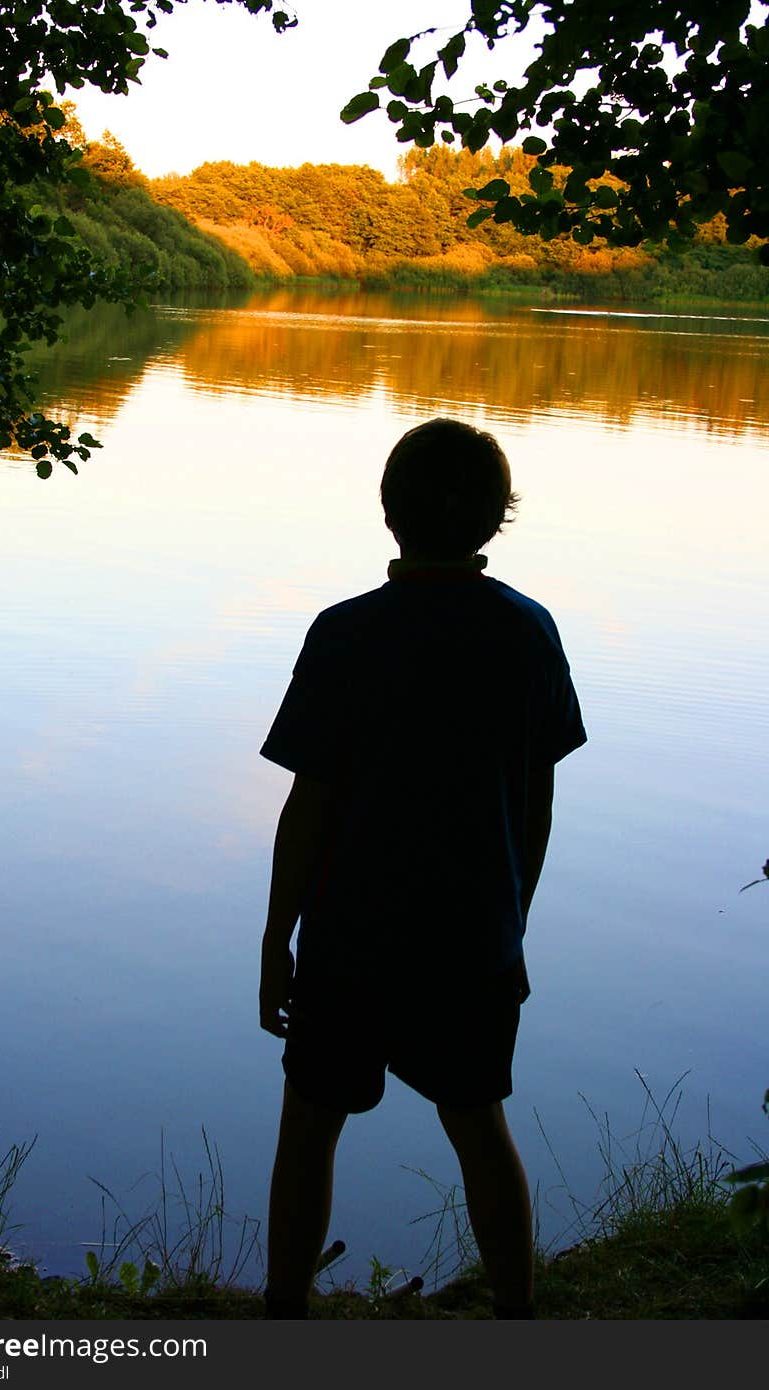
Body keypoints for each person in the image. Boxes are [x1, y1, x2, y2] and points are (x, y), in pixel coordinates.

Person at [258, 417, 586, 1320]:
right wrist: (512, 918)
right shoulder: (527, 633)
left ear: (387, 510)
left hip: (349, 938)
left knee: (308, 1133)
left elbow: (309, 807)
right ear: (495, 518)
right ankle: (516, 1317)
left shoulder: (345, 634)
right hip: (474, 937)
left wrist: (273, 939)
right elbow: (537, 801)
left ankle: (284, 1316)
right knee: (481, 1128)